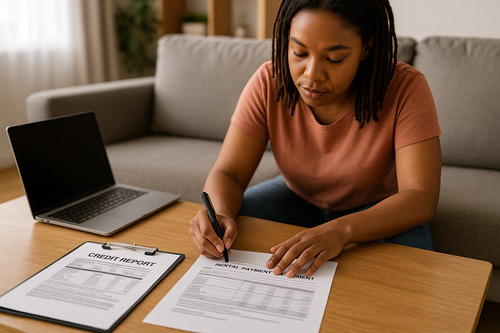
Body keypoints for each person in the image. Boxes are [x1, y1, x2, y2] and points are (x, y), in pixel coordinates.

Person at [189, 0, 441, 279]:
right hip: (297, 196)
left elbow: (419, 197)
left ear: (365, 49)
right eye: (299, 52)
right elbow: (229, 172)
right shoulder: (269, 81)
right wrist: (220, 214)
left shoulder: (406, 88)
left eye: (334, 59)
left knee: (407, 286)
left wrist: (342, 230)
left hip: (378, 206)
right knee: (231, 233)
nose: (311, 74)